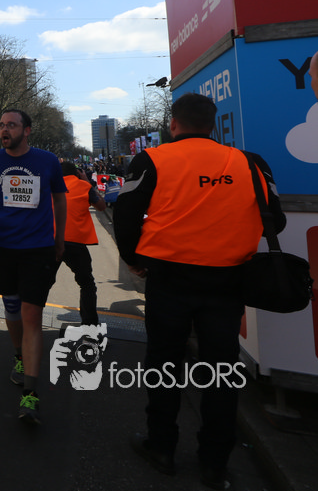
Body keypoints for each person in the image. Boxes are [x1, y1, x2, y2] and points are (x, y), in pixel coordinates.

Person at [113, 93, 284, 490]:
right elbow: (275, 221)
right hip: (227, 282)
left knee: (163, 365)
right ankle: (214, 464)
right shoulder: (251, 163)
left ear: (173, 124)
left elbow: (125, 214)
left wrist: (133, 259)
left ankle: (161, 447)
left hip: (168, 280)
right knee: (221, 371)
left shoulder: (151, 160)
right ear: (213, 125)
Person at [0, 108, 67, 424]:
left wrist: (60, 238)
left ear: (27, 130)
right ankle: (19, 354)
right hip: (2, 247)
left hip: (37, 249)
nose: (5, 130)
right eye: (2, 125)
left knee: (32, 314)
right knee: (12, 307)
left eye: (12, 125)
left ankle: (30, 393)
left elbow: (60, 200)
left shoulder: (47, 161)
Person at [55, 161, 108, 325]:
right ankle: (89, 326)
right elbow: (101, 206)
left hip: (51, 241)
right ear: (77, 174)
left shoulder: (49, 185)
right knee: (87, 284)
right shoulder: (84, 186)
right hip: (76, 243)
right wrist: (86, 182)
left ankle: (30, 323)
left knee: (41, 284)